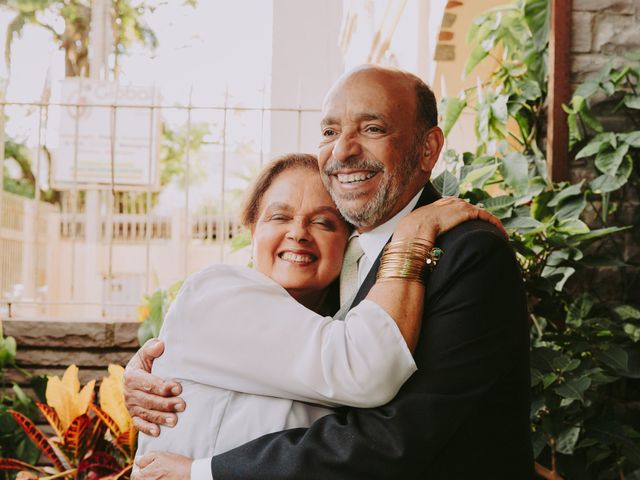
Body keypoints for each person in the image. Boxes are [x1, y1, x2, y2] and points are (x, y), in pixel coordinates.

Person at [127, 65, 534, 479]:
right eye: (328, 132)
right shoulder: (337, 273)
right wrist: (152, 367)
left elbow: (395, 436)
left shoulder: (467, 252)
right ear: (250, 230)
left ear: (428, 149)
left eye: (373, 128)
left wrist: (204, 472)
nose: (343, 151)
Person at [134, 153, 499, 469]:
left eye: (324, 222)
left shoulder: (343, 324)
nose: (299, 233)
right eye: (279, 217)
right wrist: (413, 234)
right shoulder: (216, 292)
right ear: (252, 230)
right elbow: (365, 366)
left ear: (350, 244)